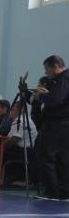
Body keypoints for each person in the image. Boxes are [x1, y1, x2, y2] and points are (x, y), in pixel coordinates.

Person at [32, 55, 69, 200]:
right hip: (63, 125)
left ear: (55, 66)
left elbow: (56, 100)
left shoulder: (63, 79)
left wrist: (41, 96)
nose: (46, 72)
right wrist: (48, 94)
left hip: (57, 124)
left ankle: (52, 191)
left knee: (46, 155)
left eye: (47, 69)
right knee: (62, 158)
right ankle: (64, 192)